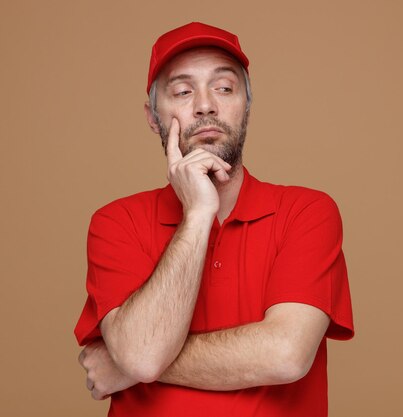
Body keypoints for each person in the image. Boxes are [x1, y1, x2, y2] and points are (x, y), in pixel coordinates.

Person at [74, 22, 354, 417]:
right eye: (183, 91)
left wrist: (130, 366)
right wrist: (199, 213)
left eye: (224, 88)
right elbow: (140, 356)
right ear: (154, 118)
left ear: (246, 106)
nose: (205, 104)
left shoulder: (306, 212)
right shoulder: (116, 222)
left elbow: (286, 354)